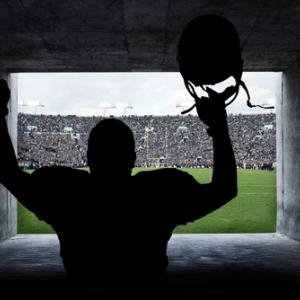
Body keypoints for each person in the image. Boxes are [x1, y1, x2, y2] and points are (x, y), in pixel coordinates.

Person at [0, 14, 238, 295]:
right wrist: (218, 125)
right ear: (133, 158)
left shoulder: (67, 194)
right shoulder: (159, 193)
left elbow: (8, 173)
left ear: (88, 156)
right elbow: (224, 189)